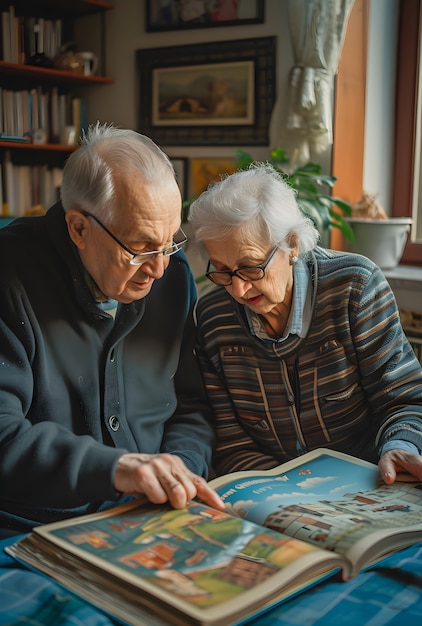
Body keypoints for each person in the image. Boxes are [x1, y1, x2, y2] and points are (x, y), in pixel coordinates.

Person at [0, 123, 223, 538]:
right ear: (79, 228)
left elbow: (193, 407)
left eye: (170, 241)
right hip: (35, 528)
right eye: (140, 247)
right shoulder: (8, 275)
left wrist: (181, 472)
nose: (159, 269)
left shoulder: (172, 276)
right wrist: (119, 469)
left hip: (156, 518)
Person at [188, 162, 422, 483]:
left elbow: (404, 399)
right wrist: (286, 489)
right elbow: (231, 439)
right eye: (222, 270)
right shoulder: (213, 318)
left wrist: (400, 445)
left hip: (370, 479)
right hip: (272, 489)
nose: (238, 289)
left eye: (251, 267)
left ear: (292, 245)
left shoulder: (354, 287)